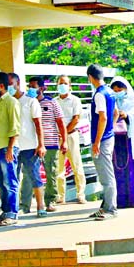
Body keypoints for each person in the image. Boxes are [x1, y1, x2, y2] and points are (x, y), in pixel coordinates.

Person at [8, 73, 46, 217]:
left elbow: (38, 124)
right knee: (13, 178)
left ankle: (40, 206)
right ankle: (14, 208)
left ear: (18, 83)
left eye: (12, 83)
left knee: (34, 176)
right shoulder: (8, 101)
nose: (10, 86)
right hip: (13, 146)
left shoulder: (30, 101)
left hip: (30, 146)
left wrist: (41, 144)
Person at [0, 72, 21, 226]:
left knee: (10, 181)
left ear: (0, 85)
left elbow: (15, 128)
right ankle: (5, 211)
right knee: (1, 183)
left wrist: (10, 149)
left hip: (6, 149)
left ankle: (12, 213)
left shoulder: (11, 102)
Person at [29, 77, 67, 213]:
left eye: (34, 86)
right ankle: (27, 204)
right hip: (32, 144)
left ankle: (50, 201)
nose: (31, 89)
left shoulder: (51, 102)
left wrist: (65, 141)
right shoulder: (27, 102)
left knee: (51, 173)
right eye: (30, 86)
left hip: (50, 143)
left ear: (42, 88)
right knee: (30, 174)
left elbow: (60, 122)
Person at [110, 77, 134, 208]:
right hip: (118, 140)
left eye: (119, 89)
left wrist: (127, 115)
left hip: (131, 139)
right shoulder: (112, 100)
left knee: (133, 168)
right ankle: (121, 201)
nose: (117, 92)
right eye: (114, 90)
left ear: (126, 88)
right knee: (118, 169)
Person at [86, 64, 118, 220]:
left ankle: (111, 209)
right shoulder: (110, 92)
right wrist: (110, 129)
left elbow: (103, 118)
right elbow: (116, 113)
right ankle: (105, 206)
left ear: (90, 77)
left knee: (106, 175)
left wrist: (97, 141)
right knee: (106, 174)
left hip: (102, 139)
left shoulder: (99, 94)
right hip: (109, 137)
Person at [55, 75, 87, 204]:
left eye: (65, 83)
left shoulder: (75, 100)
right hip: (57, 137)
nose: (62, 85)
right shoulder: (54, 101)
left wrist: (64, 133)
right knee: (58, 167)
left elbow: (76, 119)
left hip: (71, 135)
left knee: (76, 165)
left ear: (70, 86)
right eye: (60, 83)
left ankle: (80, 194)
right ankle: (60, 196)